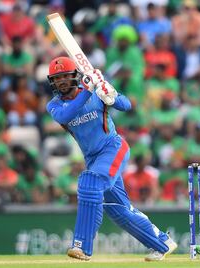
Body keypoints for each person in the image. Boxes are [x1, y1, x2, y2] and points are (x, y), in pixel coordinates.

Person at [45, 56, 177, 261]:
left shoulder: (95, 91)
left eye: (64, 76)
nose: (61, 81)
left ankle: (82, 247)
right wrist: (89, 90)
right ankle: (162, 242)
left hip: (113, 148)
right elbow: (65, 116)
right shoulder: (55, 105)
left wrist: (110, 95)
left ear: (75, 76)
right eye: (56, 78)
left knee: (90, 183)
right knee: (117, 210)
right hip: (93, 158)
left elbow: (126, 105)